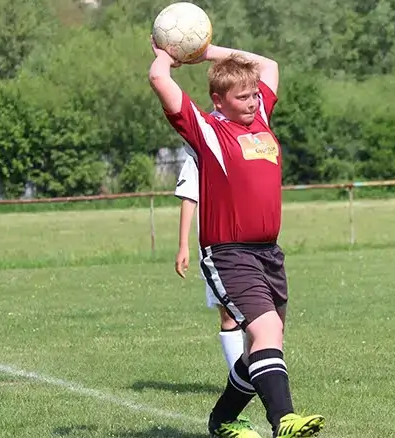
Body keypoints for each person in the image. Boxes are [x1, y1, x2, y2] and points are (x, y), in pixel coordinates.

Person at [149, 37, 325, 438]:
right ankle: (284, 420)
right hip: (229, 253)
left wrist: (206, 51)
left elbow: (269, 65)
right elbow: (159, 79)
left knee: (262, 344)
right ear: (218, 100)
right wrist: (167, 54)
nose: (251, 101)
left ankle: (224, 421)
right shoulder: (207, 130)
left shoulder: (260, 119)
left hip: (269, 253)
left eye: (253, 95)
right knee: (267, 331)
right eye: (241, 96)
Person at [173, 154, 244, 370]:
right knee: (229, 315)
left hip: (254, 244)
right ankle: (240, 379)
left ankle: (260, 374)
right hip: (218, 248)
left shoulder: (247, 144)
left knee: (260, 315)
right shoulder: (199, 151)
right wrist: (183, 245)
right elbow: (189, 196)